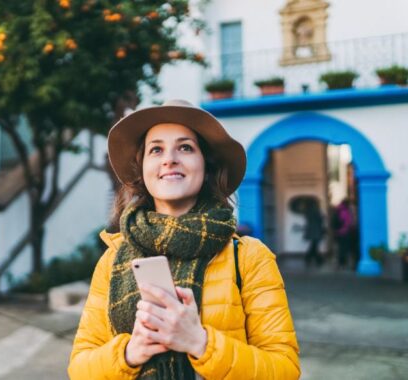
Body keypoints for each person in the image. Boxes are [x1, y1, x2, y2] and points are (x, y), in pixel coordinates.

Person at [68, 100, 300, 379]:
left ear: (207, 166)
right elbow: (80, 368)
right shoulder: (113, 259)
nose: (169, 159)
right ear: (143, 169)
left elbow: (285, 369)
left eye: (185, 147)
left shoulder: (249, 257)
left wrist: (198, 342)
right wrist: (131, 351)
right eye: (156, 149)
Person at [333, 198, 354, 270]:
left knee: (340, 248)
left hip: (338, 232)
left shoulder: (337, 209)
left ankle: (340, 263)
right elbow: (348, 222)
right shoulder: (345, 211)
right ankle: (342, 263)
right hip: (344, 232)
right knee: (344, 248)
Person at [303, 199, 325, 267]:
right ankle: (316, 259)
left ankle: (312, 258)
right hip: (316, 230)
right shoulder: (316, 210)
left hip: (311, 230)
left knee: (314, 245)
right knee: (314, 245)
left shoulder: (307, 211)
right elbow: (320, 219)